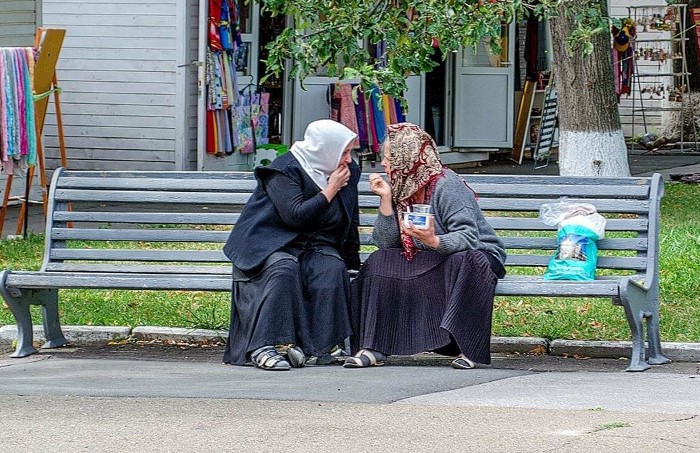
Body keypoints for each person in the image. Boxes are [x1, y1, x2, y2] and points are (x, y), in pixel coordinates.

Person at [344, 122, 506, 370]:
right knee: (380, 261)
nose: (384, 164)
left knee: (465, 261)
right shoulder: (401, 186)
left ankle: (467, 347)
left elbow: (469, 237)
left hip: (475, 254)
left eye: (390, 158)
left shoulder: (445, 184)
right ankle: (375, 345)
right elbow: (386, 243)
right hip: (430, 254)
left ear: (407, 158)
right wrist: (387, 200)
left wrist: (433, 240)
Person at [222, 119, 361, 371]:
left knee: (330, 268)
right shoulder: (285, 169)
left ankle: (318, 347)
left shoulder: (347, 172)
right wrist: (330, 189)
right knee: (283, 269)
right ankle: (263, 346)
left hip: (315, 244)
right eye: (345, 152)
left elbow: (350, 220)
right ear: (325, 149)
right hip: (269, 243)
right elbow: (295, 215)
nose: (349, 160)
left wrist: (353, 264)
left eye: (350, 152)